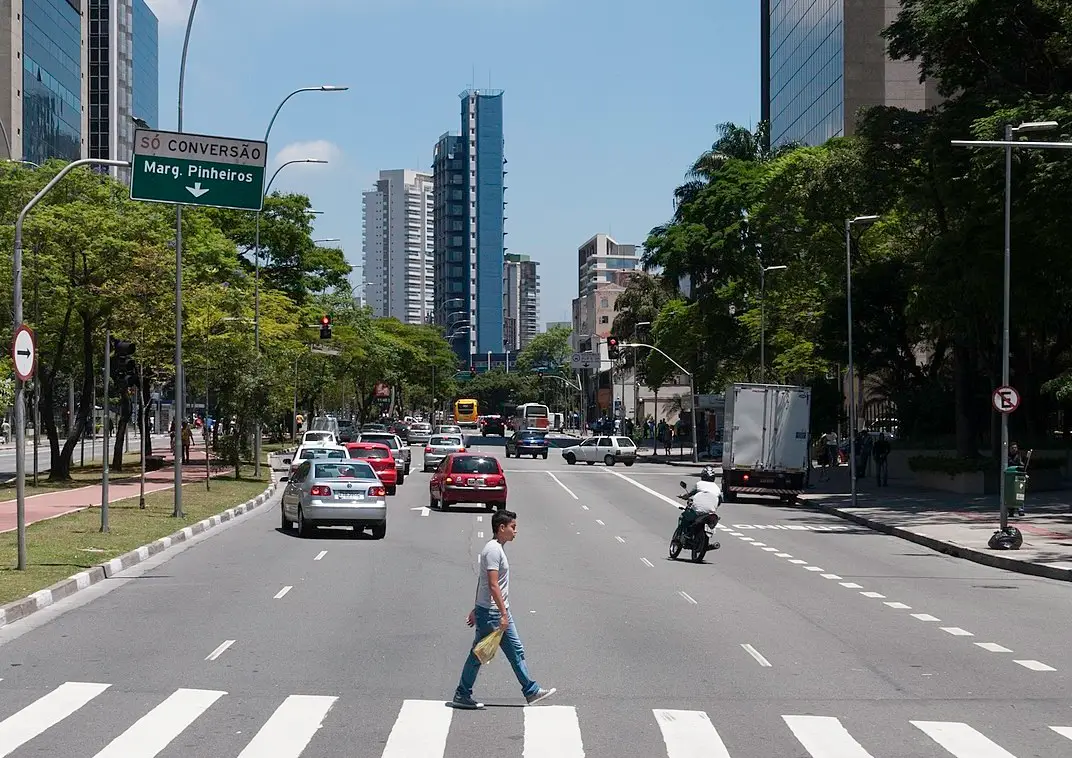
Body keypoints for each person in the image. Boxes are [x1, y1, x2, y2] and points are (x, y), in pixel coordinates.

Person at [452, 510, 555, 710]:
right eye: (513, 527)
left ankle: (530, 690)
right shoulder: (493, 550)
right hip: (492, 613)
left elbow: (483, 582)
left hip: (493, 611)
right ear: (502, 528)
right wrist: (503, 614)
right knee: (479, 654)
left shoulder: (497, 548)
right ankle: (462, 693)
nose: (515, 531)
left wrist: (478, 608)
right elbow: (492, 584)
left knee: (510, 651)